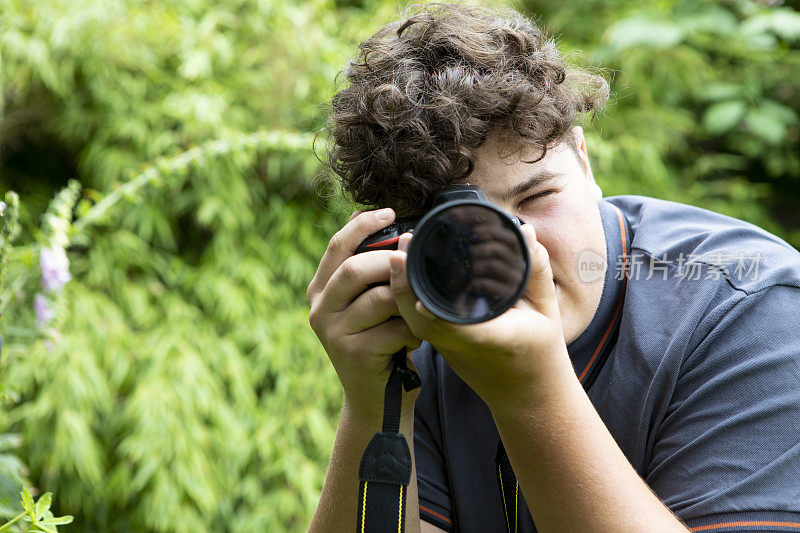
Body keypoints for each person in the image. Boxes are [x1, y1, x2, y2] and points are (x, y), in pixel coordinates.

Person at [306, 4, 800, 532]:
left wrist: (529, 391)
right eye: (462, 228)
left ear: (584, 163)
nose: (521, 248)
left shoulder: (754, 305)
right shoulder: (422, 316)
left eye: (537, 196)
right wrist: (370, 405)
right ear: (401, 240)